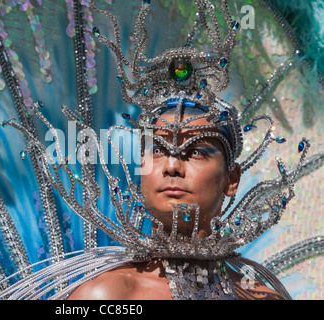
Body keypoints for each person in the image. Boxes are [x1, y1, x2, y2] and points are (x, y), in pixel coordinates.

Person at [68, 105, 285, 300]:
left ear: (232, 179)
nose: (171, 166)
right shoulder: (108, 294)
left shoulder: (264, 297)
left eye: (196, 152)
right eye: (158, 150)